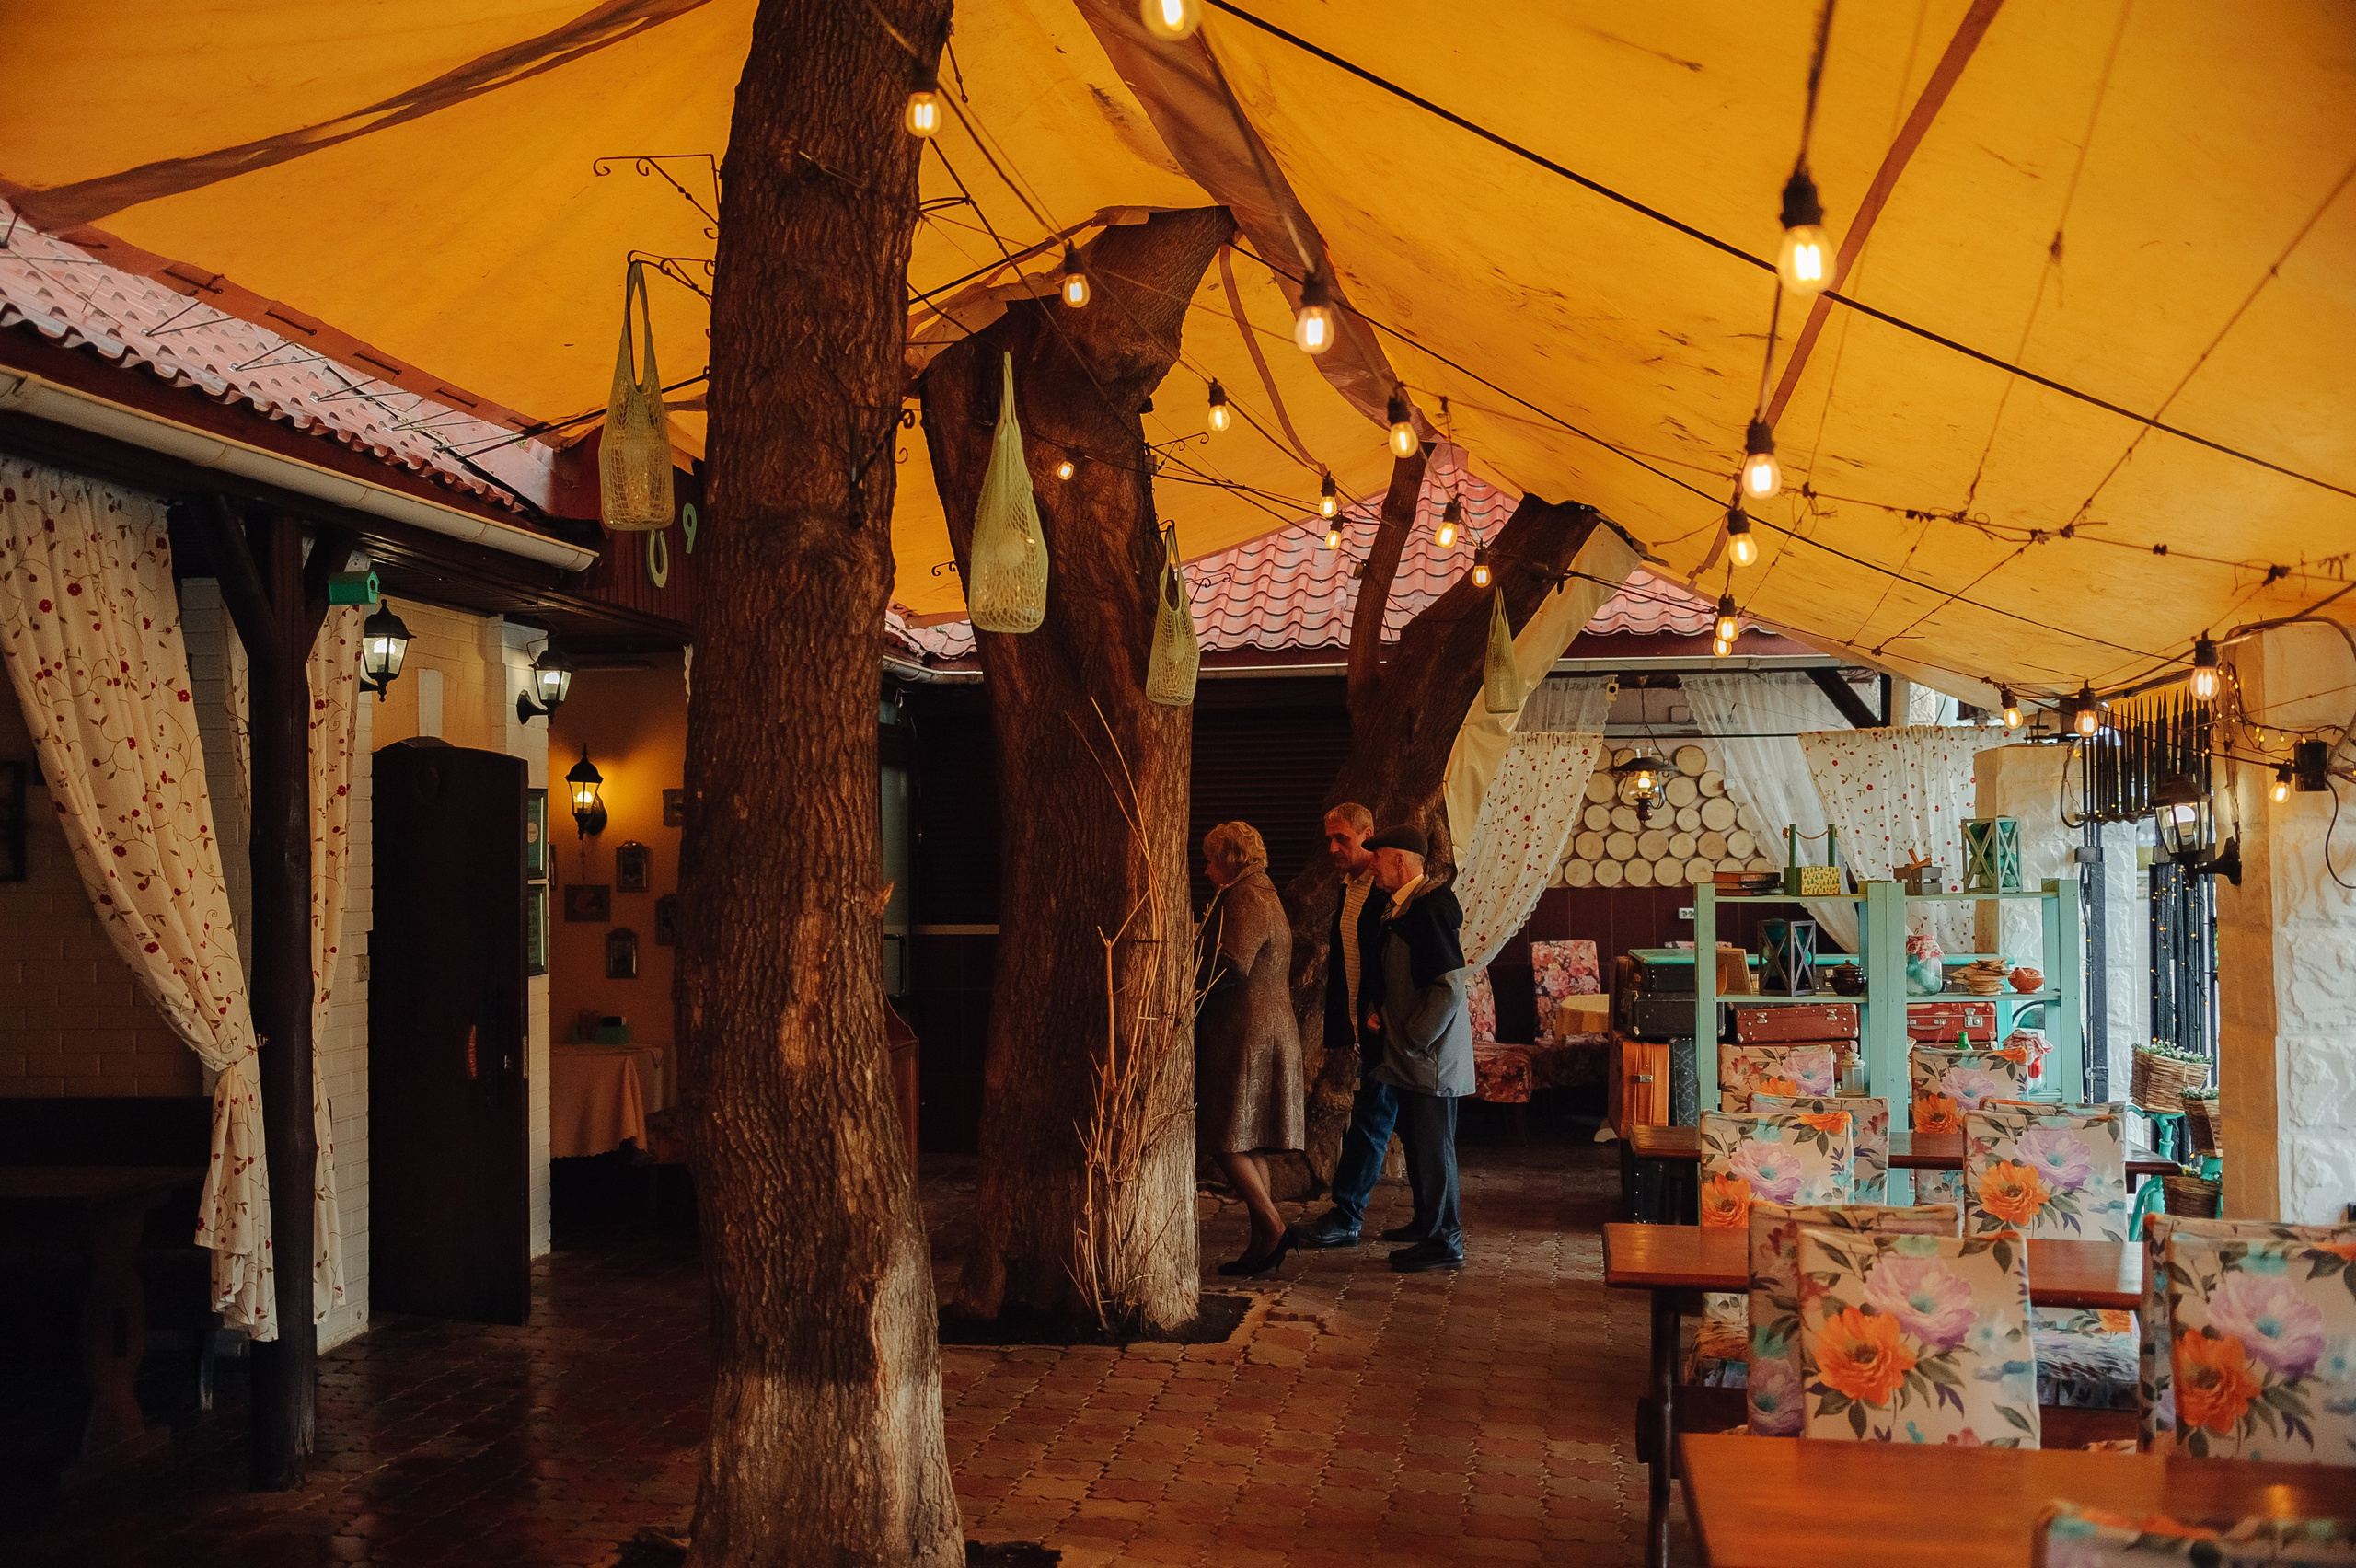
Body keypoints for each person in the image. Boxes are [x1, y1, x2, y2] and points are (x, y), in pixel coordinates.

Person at [1195, 820, 1304, 1277]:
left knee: (1223, 1137)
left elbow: (1233, 963)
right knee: (1248, 1136)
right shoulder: (1265, 893)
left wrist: (1186, 980)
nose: (1205, 870)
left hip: (1245, 1030)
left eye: (1210, 860)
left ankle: (1274, 1226)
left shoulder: (1245, 897)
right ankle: (1264, 1236)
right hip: (1266, 1026)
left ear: (1230, 861)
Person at [1360, 824, 1472, 1273]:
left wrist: (1412, 1038)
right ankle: (1428, 1224)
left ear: (1401, 860)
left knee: (1433, 1146)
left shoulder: (1426, 911)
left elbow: (1448, 987)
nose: (1371, 866)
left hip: (1428, 1058)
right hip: (1415, 1054)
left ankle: (1444, 1240)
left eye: (1377, 856)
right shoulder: (1408, 907)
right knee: (1421, 1143)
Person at [1295, 804, 1398, 1251]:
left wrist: (1378, 1017)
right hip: (1366, 1025)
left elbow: (1387, 965)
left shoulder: (1383, 889)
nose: (1333, 848)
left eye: (1343, 839)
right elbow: (1345, 965)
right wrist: (1349, 1027)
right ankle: (1426, 1222)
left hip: (1389, 1025)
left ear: (1367, 834)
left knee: (1374, 1119)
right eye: (1329, 840)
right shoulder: (1348, 887)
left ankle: (1347, 1214)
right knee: (1381, 1118)